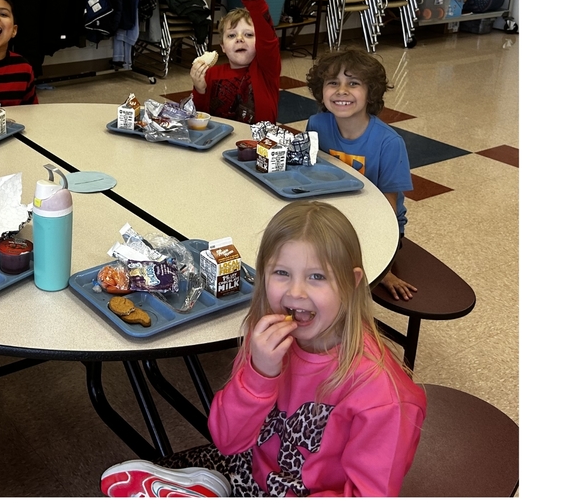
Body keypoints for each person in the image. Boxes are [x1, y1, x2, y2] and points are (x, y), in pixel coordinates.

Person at [101, 201, 426, 497]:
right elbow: (227, 441)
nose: (296, 291)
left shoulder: (384, 396)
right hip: (248, 473)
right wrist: (259, 374)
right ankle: (214, 487)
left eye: (317, 276)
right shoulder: (268, 338)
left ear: (352, 283)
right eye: (282, 273)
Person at [304, 49, 416, 300]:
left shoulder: (389, 143)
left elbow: (388, 210)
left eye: (353, 83)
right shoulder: (316, 124)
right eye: (333, 83)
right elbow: (308, 174)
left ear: (370, 93)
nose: (342, 91)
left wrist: (380, 261)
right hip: (331, 217)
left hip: (377, 229)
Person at [190, 0, 281, 124]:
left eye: (248, 35)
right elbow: (200, 117)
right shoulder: (211, 74)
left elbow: (268, 39)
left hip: (259, 145)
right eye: (232, 35)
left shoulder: (266, 70)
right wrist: (200, 89)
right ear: (223, 47)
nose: (240, 39)